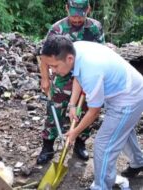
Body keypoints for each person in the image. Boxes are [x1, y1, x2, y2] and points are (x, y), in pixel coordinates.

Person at [40, 34, 143, 190]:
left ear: (68, 59)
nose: (52, 71)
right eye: (50, 67)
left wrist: (74, 132)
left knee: (103, 144)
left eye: (55, 66)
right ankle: (139, 162)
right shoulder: (75, 49)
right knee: (122, 131)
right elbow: (77, 76)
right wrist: (73, 105)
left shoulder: (91, 71)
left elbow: (94, 111)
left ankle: (101, 186)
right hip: (125, 89)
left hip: (128, 99)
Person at [37, 0, 105, 164]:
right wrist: (45, 79)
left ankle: (80, 143)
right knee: (55, 109)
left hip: (87, 75)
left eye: (80, 15)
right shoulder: (57, 29)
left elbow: (100, 53)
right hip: (62, 76)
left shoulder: (94, 28)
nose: (76, 19)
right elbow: (45, 56)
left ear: (88, 9)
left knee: (86, 108)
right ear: (66, 8)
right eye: (73, 15)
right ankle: (48, 146)